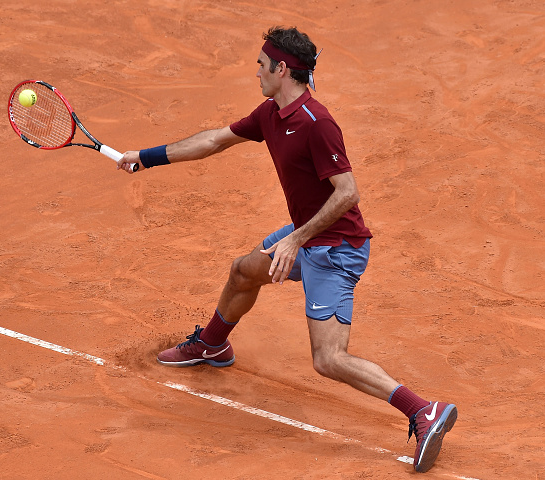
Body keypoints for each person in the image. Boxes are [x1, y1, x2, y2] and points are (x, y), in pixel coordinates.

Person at [117, 26, 457, 473]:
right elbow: (214, 140)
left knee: (328, 359)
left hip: (335, 248)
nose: (255, 71)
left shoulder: (317, 124)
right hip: (305, 236)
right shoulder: (271, 114)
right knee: (243, 271)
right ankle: (213, 346)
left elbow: (347, 193)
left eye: (261, 64)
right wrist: (147, 155)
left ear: (281, 69)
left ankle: (423, 410)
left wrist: (295, 240)